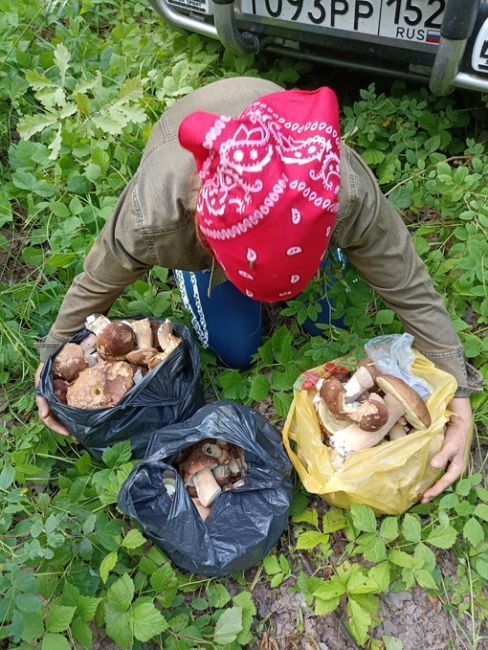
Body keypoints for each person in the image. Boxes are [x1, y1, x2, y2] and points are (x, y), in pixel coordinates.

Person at [35, 76, 482, 503]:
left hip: (290, 180)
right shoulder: (154, 215)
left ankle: (319, 259)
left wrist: (457, 394)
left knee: (331, 319)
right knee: (236, 349)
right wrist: (52, 358)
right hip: (194, 197)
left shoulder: (341, 186)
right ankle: (220, 273)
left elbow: (407, 282)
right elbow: (97, 278)